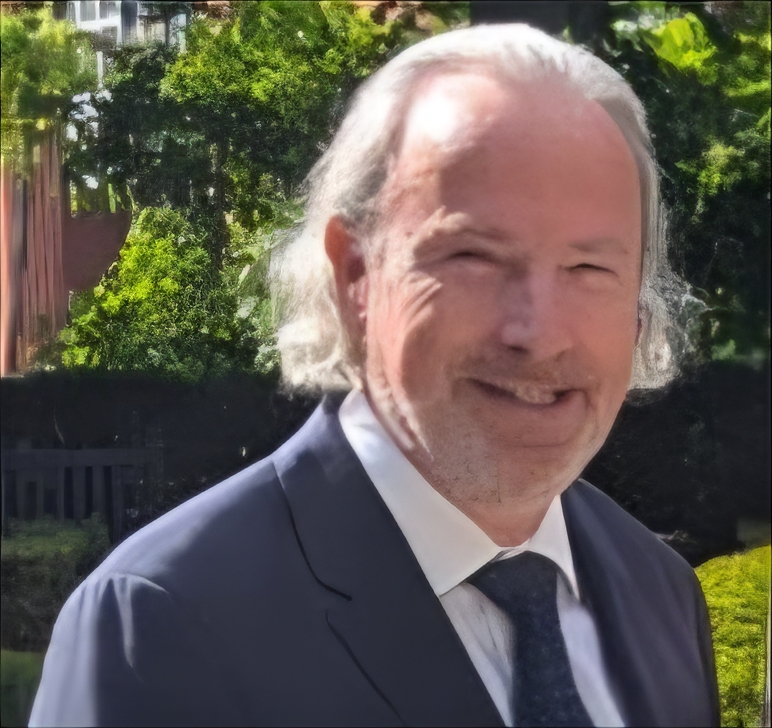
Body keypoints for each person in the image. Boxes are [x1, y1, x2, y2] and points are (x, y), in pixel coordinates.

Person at [30, 24, 719, 727]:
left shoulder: (661, 595)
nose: (539, 334)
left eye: (588, 268)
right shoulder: (161, 621)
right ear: (355, 275)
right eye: (474, 257)